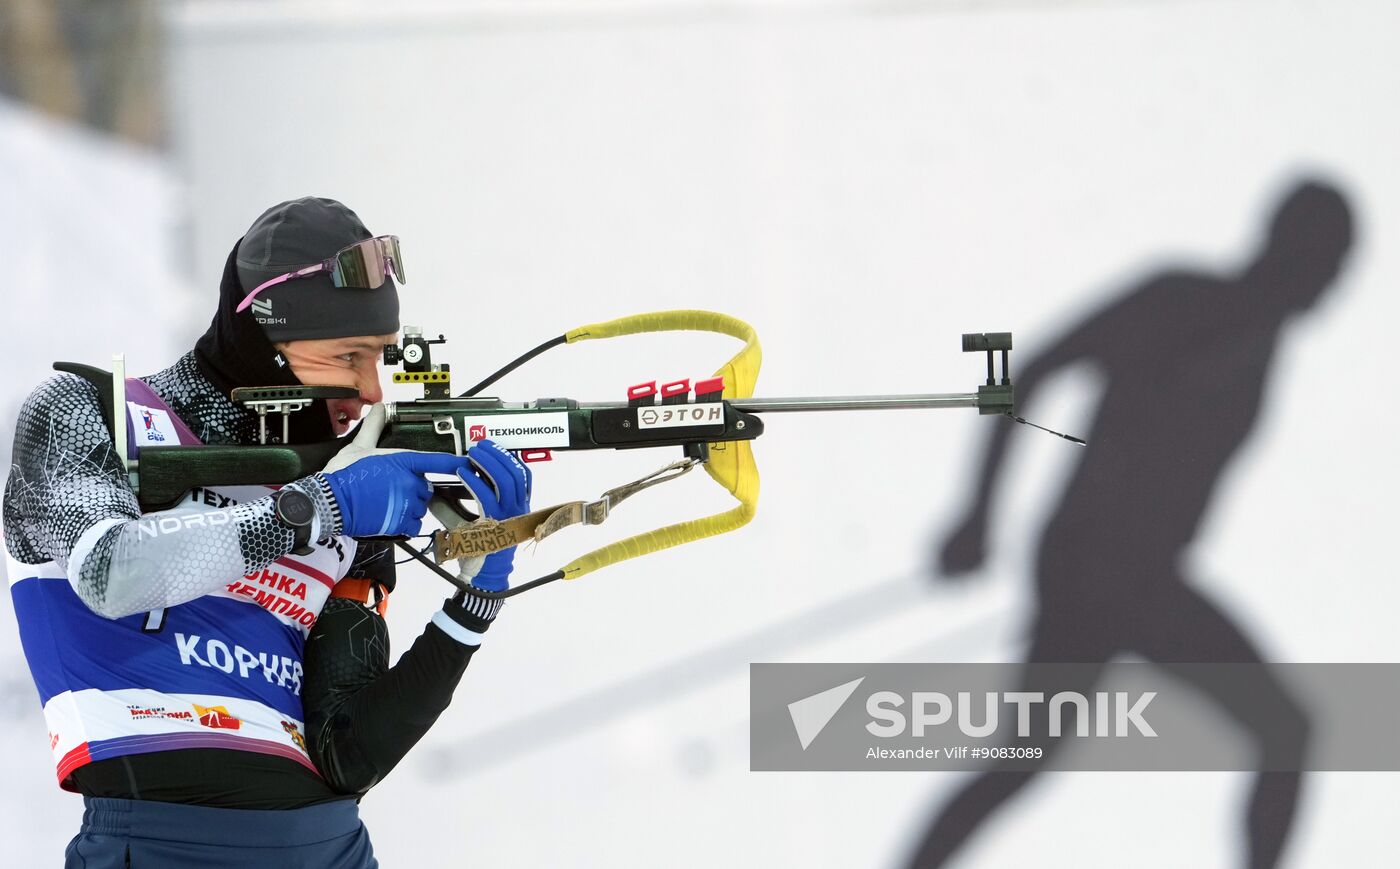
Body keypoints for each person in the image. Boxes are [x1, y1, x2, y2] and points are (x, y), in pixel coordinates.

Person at [2, 197, 529, 867]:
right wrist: (318, 508)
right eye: (347, 356)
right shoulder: (92, 415)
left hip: (332, 846)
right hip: (163, 843)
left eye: (379, 359)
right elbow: (110, 571)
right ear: (266, 340)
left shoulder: (342, 479)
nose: (371, 390)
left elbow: (348, 753)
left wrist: (477, 599)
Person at [907, 179, 1353, 869]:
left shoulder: (1259, 347)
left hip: (1136, 577)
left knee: (1020, 764)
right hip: (1095, 566)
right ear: (1293, 251)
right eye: (1326, 265)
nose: (1328, 289)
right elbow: (1031, 369)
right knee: (1280, 732)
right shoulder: (1181, 301)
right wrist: (977, 513)